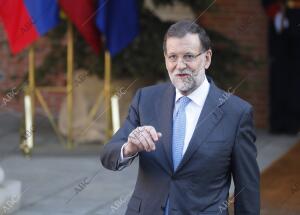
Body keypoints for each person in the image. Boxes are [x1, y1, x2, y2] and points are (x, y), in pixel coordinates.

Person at [100, 20, 260, 215]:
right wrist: (130, 147)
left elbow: (247, 189)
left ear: (207, 58)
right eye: (172, 57)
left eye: (189, 56)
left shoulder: (237, 113)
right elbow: (108, 155)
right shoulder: (146, 99)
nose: (179, 65)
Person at [262, 0, 300, 134]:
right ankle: (277, 122)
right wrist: (276, 15)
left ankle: (293, 123)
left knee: (296, 75)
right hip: (280, 20)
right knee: (278, 73)